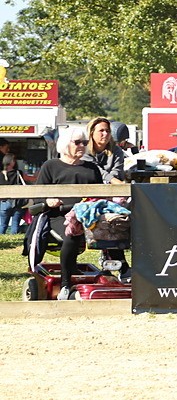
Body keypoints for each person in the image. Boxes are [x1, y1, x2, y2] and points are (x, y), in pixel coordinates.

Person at [33, 127, 102, 300]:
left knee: (116, 228)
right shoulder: (51, 166)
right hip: (59, 215)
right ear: (65, 144)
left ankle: (121, 270)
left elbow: (102, 195)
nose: (82, 146)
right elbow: (36, 197)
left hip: (88, 215)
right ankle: (66, 282)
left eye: (84, 142)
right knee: (71, 233)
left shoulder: (92, 168)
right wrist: (48, 200)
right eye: (77, 142)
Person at [83, 117, 126, 184]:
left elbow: (117, 171)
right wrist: (111, 179)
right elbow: (96, 170)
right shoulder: (84, 150)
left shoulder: (117, 150)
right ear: (91, 133)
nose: (105, 134)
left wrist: (111, 181)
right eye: (101, 131)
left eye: (107, 131)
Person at [0, 154, 27, 234]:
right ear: (11, 162)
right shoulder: (18, 173)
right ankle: (14, 238)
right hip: (17, 201)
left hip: (4, 202)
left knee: (3, 225)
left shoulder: (1, 174)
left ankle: (1, 239)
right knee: (15, 224)